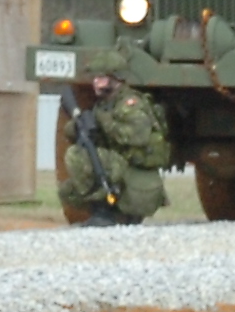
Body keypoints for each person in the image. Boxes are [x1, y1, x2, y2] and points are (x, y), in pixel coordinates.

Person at [58, 67, 171, 224]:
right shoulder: (105, 105)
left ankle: (106, 212)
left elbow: (138, 136)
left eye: (102, 78)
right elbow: (78, 133)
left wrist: (103, 122)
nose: (96, 83)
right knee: (68, 192)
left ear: (117, 79)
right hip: (121, 171)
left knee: (76, 155)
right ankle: (106, 212)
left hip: (135, 174)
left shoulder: (130, 103)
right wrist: (78, 125)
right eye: (95, 79)